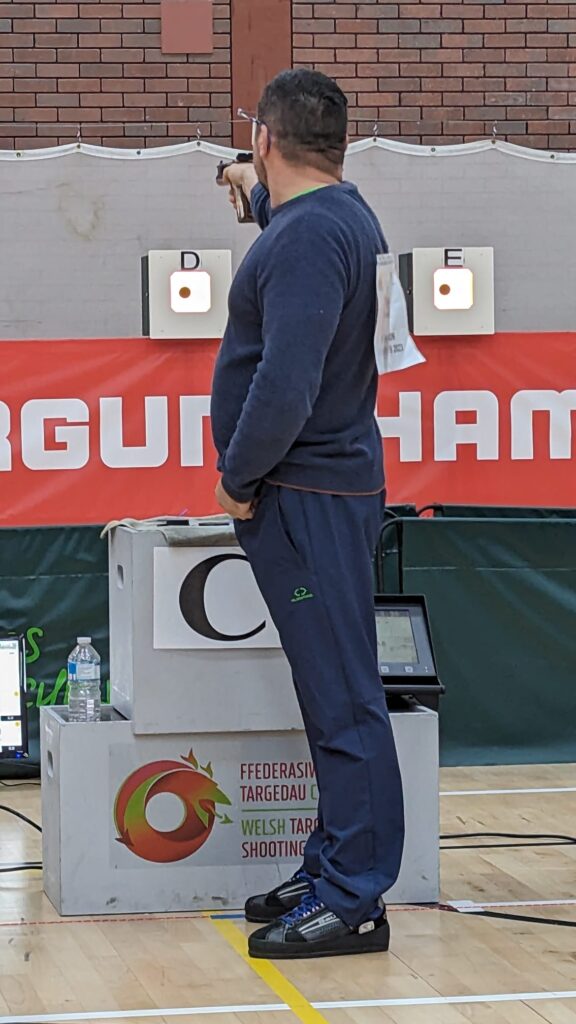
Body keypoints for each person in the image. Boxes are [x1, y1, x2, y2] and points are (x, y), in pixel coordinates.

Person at [211, 68, 404, 960]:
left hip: (305, 493)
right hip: (332, 490)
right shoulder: (342, 216)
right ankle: (333, 860)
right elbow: (293, 227)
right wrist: (252, 192)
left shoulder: (304, 240)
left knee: (342, 700)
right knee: (332, 692)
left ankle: (354, 893)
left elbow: (284, 382)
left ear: (267, 138)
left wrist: (238, 477)